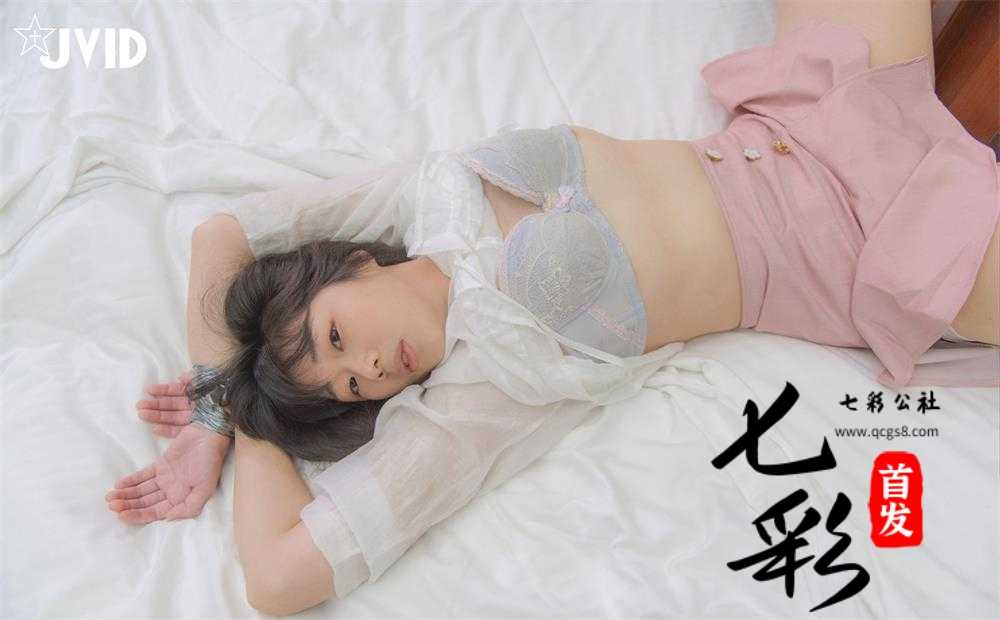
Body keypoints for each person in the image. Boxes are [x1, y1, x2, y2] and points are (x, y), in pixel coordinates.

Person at [106, 1, 999, 614]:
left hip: (804, 114)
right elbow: (274, 580)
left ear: (352, 262)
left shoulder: (422, 196)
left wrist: (210, 403)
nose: (368, 368)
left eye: (337, 336)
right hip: (866, 251)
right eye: (350, 388)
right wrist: (249, 421)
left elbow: (222, 236)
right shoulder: (482, 390)